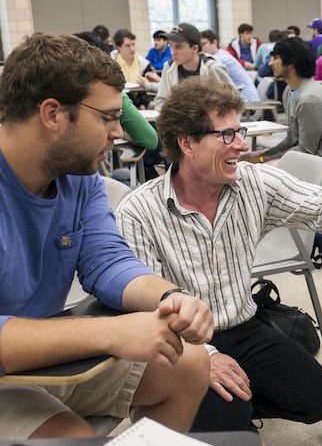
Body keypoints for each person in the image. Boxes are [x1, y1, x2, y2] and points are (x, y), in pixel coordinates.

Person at [116, 75, 322, 432]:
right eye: (226, 135)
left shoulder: (251, 183)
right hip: (178, 344)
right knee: (228, 417)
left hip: (243, 326)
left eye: (241, 131)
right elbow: (143, 309)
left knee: (318, 398)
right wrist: (205, 358)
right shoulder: (139, 210)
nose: (242, 145)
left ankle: (229, 410)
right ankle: (211, 417)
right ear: (187, 143)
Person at [0, 33, 213, 440]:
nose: (119, 132)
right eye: (107, 117)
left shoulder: (80, 178)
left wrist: (170, 298)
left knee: (187, 364)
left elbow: (107, 261)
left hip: (37, 360)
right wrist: (110, 332)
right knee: (72, 436)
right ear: (52, 115)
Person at [245, 37, 322, 172]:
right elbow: (292, 139)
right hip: (307, 158)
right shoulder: (289, 91)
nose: (270, 63)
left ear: (291, 63)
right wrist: (264, 156)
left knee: (254, 172)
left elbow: (306, 151)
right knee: (248, 161)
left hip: (321, 166)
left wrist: (263, 159)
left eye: (275, 58)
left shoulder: (309, 99)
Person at [154, 23, 233, 111]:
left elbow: (233, 100)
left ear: (195, 49)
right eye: (171, 46)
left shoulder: (212, 68)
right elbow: (160, 101)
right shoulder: (169, 67)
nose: (173, 52)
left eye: (178, 47)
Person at [200, 29, 260, 103]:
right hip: (244, 99)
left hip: (247, 103)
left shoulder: (220, 59)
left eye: (204, 44)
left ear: (215, 43)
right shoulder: (222, 54)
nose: (201, 49)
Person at [111, 28, 160, 106]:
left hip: (141, 104)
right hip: (120, 104)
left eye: (133, 44)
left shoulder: (144, 64)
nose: (132, 49)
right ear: (118, 47)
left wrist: (143, 104)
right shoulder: (111, 65)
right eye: (127, 46)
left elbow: (147, 92)